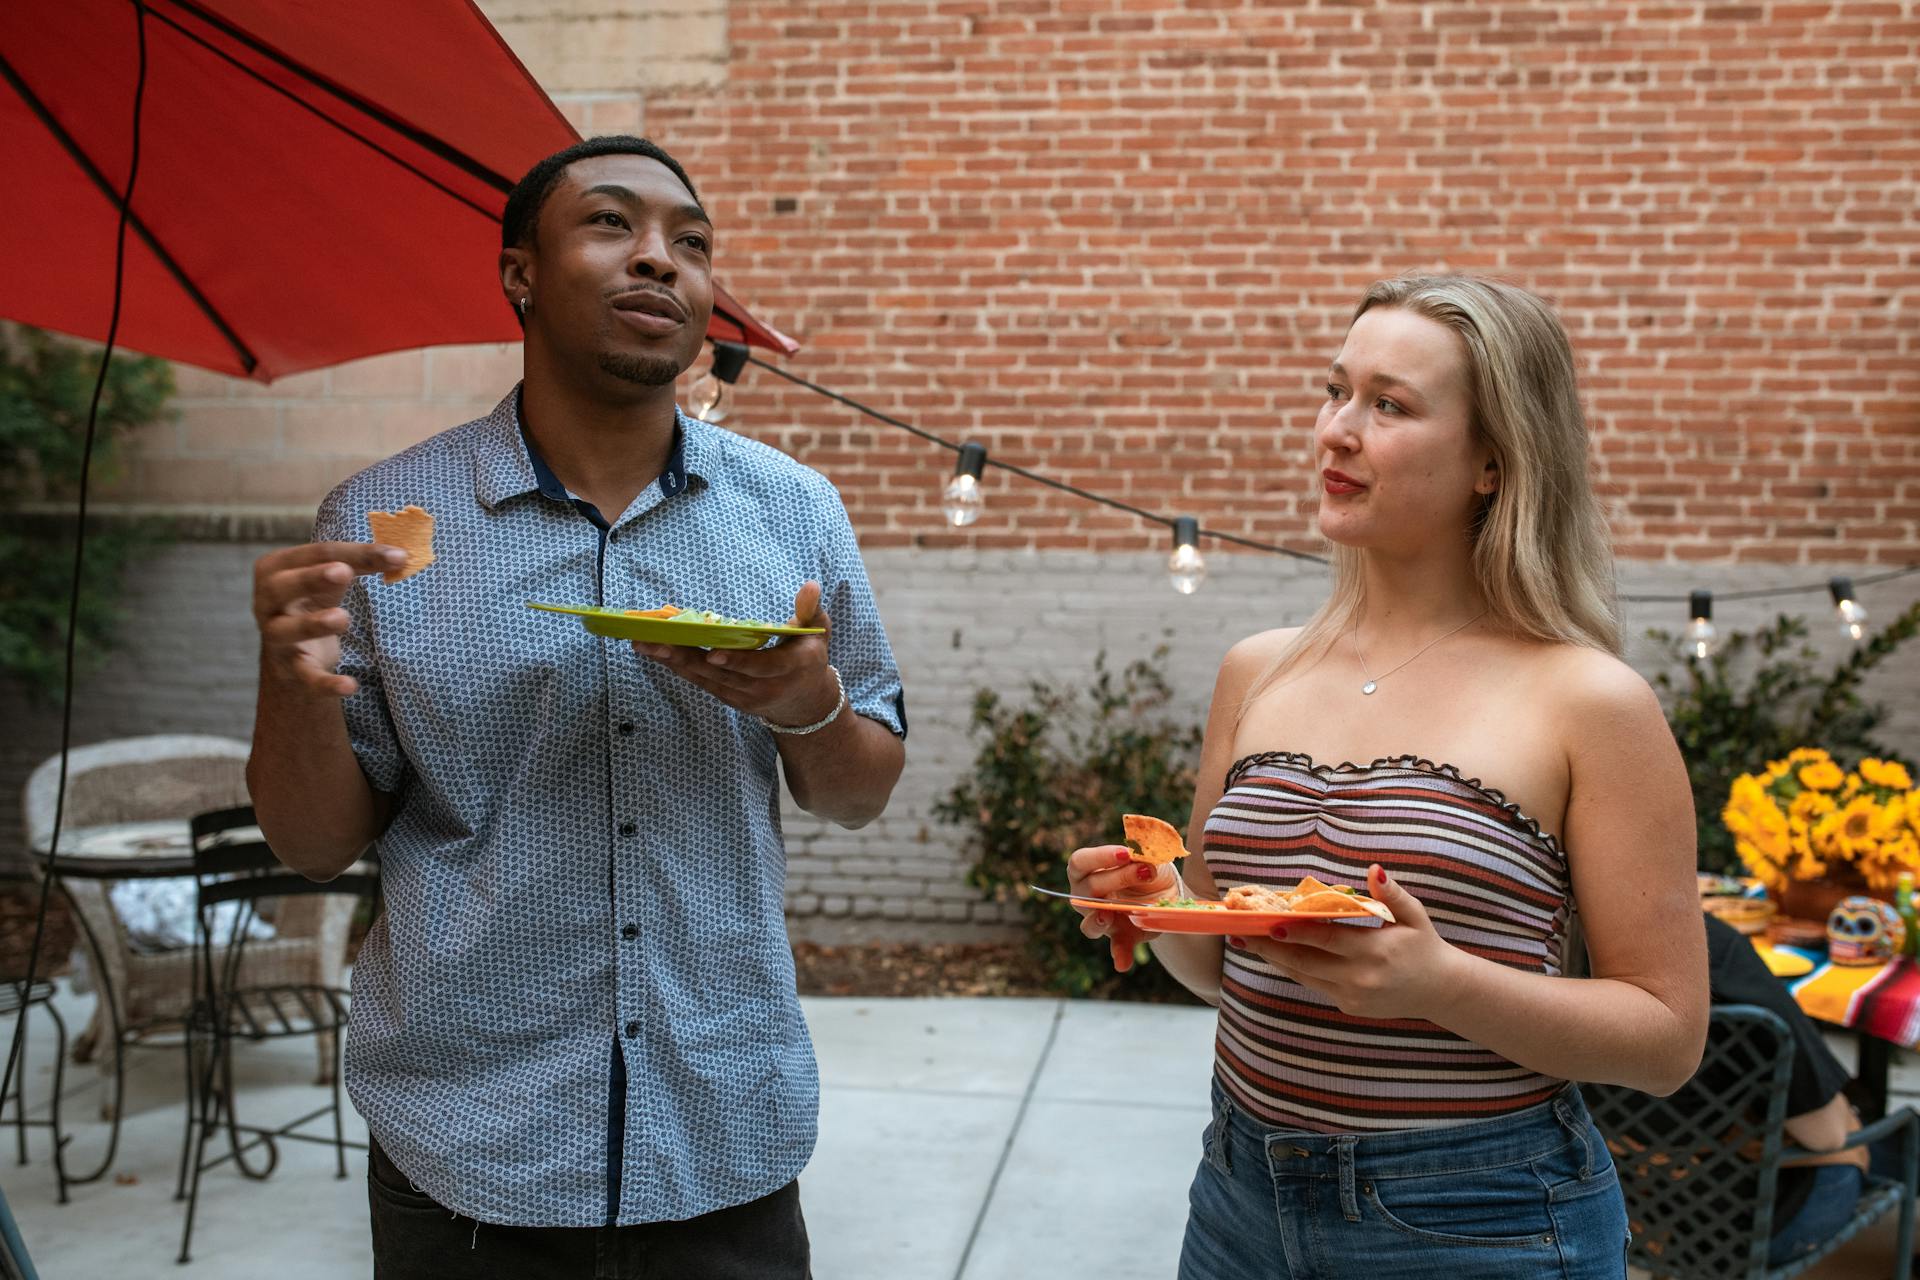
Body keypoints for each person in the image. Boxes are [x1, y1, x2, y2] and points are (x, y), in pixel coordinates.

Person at [247, 135, 907, 1279]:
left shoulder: (792, 512)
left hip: (725, 1131)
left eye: (691, 243)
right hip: (469, 1147)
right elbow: (314, 846)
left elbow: (859, 794)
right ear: (519, 274)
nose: (661, 259)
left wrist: (812, 705)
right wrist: (288, 677)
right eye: (612, 224)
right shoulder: (384, 519)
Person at [1068, 274, 1708, 1279]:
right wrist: (1161, 908)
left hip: (1481, 1214)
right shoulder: (1259, 666)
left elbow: (1668, 1037)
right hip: (1240, 1195)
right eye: (1335, 391)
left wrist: (1440, 981)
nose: (1336, 430)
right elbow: (1228, 970)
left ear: (1493, 462)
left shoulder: (1590, 699)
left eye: (1389, 405)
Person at [1700, 913, 1894, 1267]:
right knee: (1893, 1137)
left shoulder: (1570, 953)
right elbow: (1828, 1136)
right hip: (1759, 1226)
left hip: (1634, 1219)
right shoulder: (1715, 948)